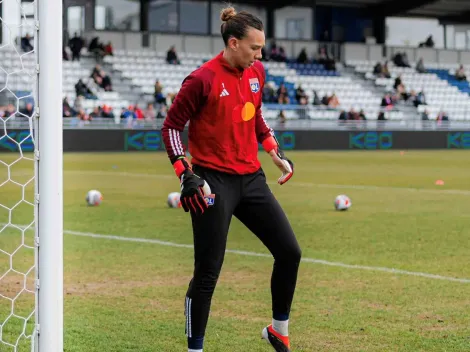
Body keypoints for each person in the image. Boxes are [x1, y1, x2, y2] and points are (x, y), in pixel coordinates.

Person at [161, 6, 301, 352]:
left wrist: (273, 149)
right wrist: (185, 173)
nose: (260, 54)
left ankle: (278, 330)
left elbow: (255, 114)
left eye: (262, 48)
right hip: (212, 183)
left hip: (251, 180)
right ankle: (195, 349)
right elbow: (171, 127)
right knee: (208, 273)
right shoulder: (201, 80)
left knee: (289, 252)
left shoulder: (257, 73)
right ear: (233, 43)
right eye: (254, 48)